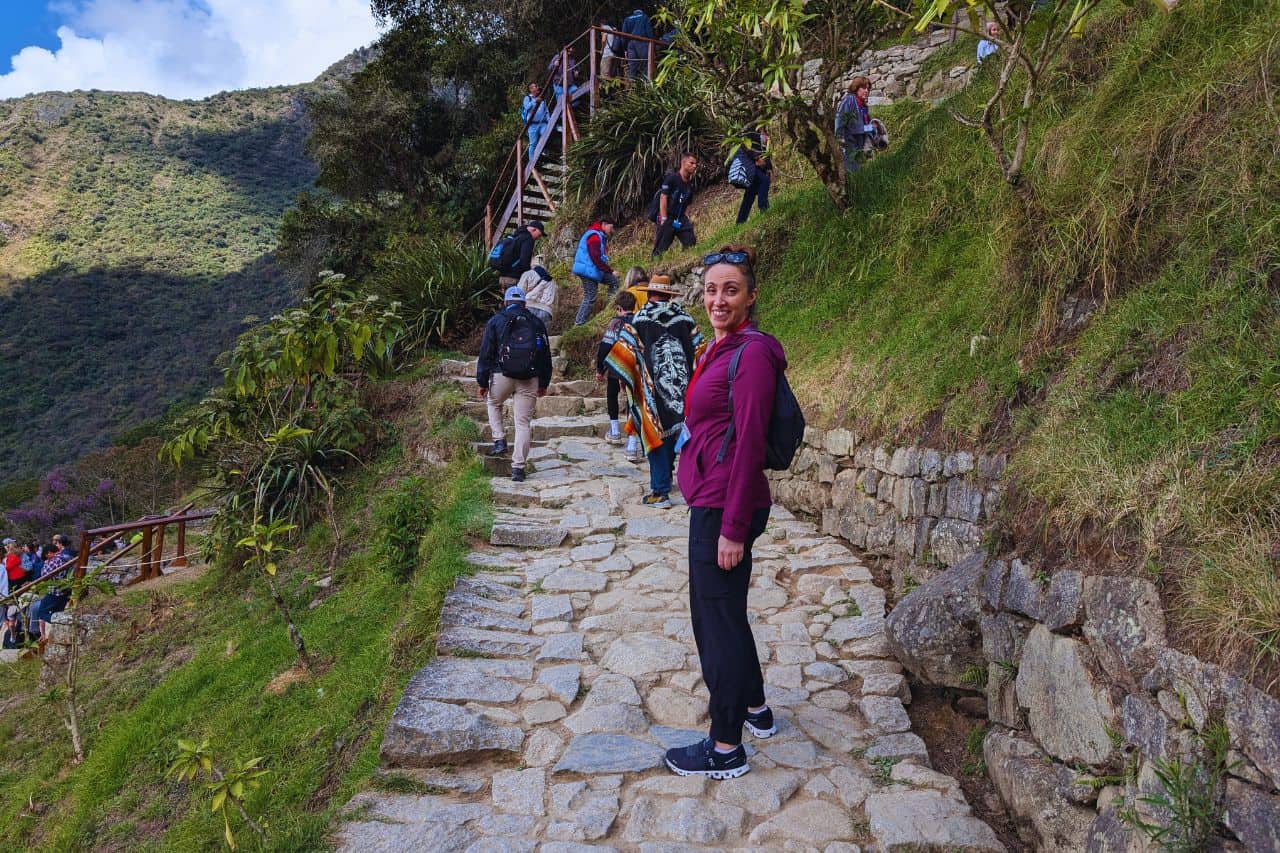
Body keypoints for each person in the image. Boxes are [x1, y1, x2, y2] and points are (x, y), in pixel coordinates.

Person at [664, 244, 787, 780]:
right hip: (713, 497)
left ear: (750, 297)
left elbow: (750, 443)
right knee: (727, 613)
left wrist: (733, 529)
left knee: (715, 625)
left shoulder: (753, 354)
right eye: (712, 289)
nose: (718, 299)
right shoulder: (719, 347)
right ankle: (756, 708)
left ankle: (725, 745)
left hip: (724, 507)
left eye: (730, 289)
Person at [605, 275, 703, 507]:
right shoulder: (686, 319)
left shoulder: (639, 319)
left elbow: (624, 357)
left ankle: (660, 491)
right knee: (676, 429)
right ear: (669, 295)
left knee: (655, 432)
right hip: (683, 389)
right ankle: (669, 478)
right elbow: (702, 351)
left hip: (652, 391)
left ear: (649, 295)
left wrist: (626, 382)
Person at [476, 286, 553, 483]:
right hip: (530, 377)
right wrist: (543, 383)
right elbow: (545, 355)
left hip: (501, 375)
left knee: (493, 403)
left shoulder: (496, 321)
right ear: (525, 303)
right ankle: (518, 468)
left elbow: (486, 353)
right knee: (522, 423)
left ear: (506, 302)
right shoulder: (536, 322)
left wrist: (482, 381)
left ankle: (499, 439)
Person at [596, 291, 637, 447]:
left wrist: (600, 369)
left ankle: (614, 431)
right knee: (632, 401)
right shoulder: (639, 321)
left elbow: (605, 346)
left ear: (619, 308)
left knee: (612, 394)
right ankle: (632, 442)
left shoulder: (615, 323)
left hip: (616, 365)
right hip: (634, 368)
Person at [572, 217, 621, 325]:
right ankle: (579, 324)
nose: (611, 231)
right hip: (588, 270)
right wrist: (611, 271)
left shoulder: (598, 235)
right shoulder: (594, 236)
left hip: (593, 270)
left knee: (614, 282)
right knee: (590, 297)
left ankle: (609, 310)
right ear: (604, 224)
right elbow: (595, 257)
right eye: (611, 227)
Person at [651, 153, 698, 257]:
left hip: (680, 218)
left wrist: (686, 218)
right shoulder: (672, 178)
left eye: (696, 164)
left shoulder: (691, 184)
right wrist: (663, 218)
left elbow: (688, 202)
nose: (694, 166)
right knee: (661, 247)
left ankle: (685, 258)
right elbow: (663, 198)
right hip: (667, 216)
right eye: (691, 163)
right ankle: (655, 265)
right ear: (683, 163)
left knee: (691, 241)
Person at [836, 76, 874, 174]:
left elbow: (863, 127)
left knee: (860, 170)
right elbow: (840, 119)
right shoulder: (849, 100)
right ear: (856, 88)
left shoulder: (864, 106)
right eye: (864, 88)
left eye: (868, 89)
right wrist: (839, 138)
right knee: (852, 169)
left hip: (860, 141)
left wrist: (873, 128)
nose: (866, 91)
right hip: (849, 140)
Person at [734, 130, 772, 225]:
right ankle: (764, 210)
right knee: (764, 181)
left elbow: (766, 158)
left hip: (755, 169)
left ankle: (740, 222)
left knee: (750, 193)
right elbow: (743, 145)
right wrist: (756, 158)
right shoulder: (751, 136)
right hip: (748, 166)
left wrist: (768, 169)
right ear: (762, 132)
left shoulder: (765, 145)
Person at [494, 220, 545, 287]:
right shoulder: (528, 239)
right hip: (514, 279)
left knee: (507, 297)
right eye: (539, 235)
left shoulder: (516, 236)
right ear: (534, 229)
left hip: (503, 278)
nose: (538, 238)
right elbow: (524, 260)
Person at [519, 255, 558, 327]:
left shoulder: (527, 274)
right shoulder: (552, 281)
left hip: (528, 308)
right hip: (546, 311)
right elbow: (555, 301)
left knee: (527, 335)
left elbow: (519, 292)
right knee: (542, 336)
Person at [620, 8, 655, 78]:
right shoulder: (644, 17)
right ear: (641, 12)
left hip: (630, 44)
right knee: (645, 65)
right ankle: (646, 86)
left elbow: (623, 36)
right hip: (642, 42)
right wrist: (652, 46)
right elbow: (649, 33)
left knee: (632, 66)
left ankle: (632, 85)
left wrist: (625, 49)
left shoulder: (627, 19)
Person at [521, 82, 549, 150]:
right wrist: (534, 101)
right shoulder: (527, 98)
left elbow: (546, 111)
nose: (536, 88)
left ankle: (543, 150)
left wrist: (549, 120)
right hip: (532, 125)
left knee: (546, 135)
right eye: (533, 87)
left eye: (536, 86)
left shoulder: (542, 98)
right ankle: (532, 160)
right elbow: (527, 107)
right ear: (530, 89)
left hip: (543, 123)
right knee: (533, 144)